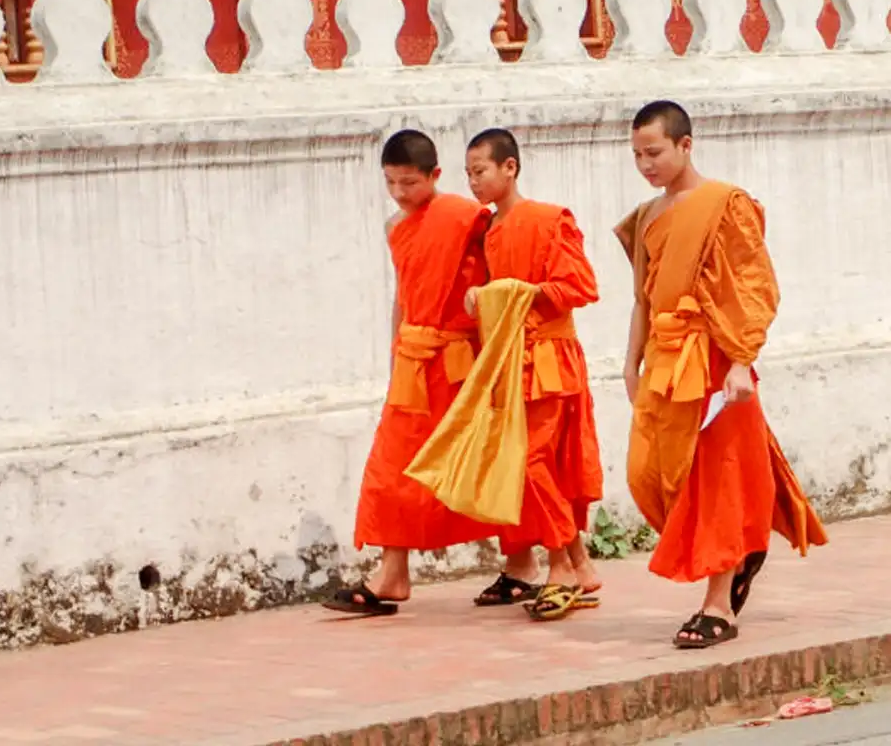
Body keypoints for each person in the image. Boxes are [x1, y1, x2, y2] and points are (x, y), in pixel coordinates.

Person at [616, 100, 827, 649]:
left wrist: (739, 361)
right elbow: (642, 297)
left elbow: (754, 286)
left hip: (714, 360)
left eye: (655, 152)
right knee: (651, 475)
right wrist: (630, 361)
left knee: (717, 479)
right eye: (637, 155)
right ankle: (741, 555)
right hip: (665, 361)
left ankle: (717, 604)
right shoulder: (647, 217)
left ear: (686, 145)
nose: (646, 164)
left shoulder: (725, 205)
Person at [323, 129, 494, 617]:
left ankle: (528, 563)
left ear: (435, 176)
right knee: (391, 468)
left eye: (410, 183)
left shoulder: (467, 218)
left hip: (460, 361)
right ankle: (392, 572)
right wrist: (396, 350)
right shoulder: (397, 225)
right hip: (415, 360)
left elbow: (490, 283)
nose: (400, 193)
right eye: (392, 183)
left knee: (482, 461)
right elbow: (404, 293)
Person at [464, 128, 604, 621]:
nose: (475, 183)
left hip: (548, 355)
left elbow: (579, 286)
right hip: (510, 359)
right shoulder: (486, 231)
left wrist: (511, 292)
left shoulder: (549, 219)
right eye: (469, 175)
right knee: (530, 464)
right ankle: (576, 563)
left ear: (510, 167)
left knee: (534, 460)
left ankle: (564, 566)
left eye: (480, 171)